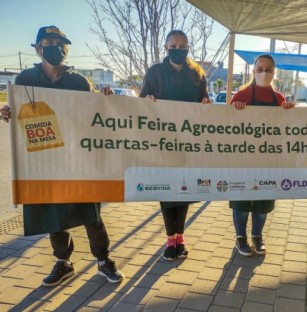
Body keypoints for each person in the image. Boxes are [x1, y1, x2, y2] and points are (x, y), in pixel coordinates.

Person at [1, 26, 124, 286]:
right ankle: (63, 262)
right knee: (53, 212)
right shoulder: (25, 78)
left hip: (77, 158)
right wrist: (7, 111)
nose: (56, 46)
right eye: (49, 41)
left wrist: (106, 99)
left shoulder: (79, 82)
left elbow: (95, 115)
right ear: (38, 47)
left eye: (60, 43)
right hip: (44, 158)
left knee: (91, 213)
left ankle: (103, 260)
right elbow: (16, 111)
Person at [139, 30, 211, 261]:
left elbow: (204, 100)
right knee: (167, 192)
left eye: (183, 46)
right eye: (174, 45)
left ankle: (180, 237)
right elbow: (142, 101)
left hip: (188, 143)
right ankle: (170, 239)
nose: (178, 49)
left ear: (188, 49)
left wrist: (206, 103)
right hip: (162, 143)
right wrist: (147, 101)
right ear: (166, 47)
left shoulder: (197, 74)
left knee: (183, 191)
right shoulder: (154, 72)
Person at [229, 54, 294, 256]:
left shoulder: (280, 99)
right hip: (242, 159)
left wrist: (290, 112)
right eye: (260, 69)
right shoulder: (241, 95)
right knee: (241, 198)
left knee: (263, 200)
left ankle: (257, 236)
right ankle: (241, 238)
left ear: (274, 72)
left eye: (268, 69)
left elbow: (287, 129)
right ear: (253, 71)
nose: (263, 73)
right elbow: (225, 127)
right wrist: (235, 110)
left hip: (269, 159)